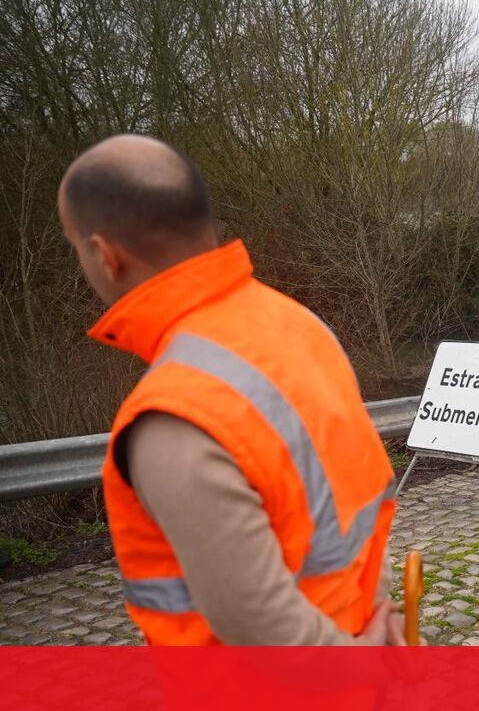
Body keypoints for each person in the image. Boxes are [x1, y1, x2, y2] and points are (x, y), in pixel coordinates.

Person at [58, 134, 404, 646]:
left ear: (104, 255)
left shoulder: (174, 414)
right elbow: (356, 501)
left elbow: (258, 623)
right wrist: (380, 613)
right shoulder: (299, 324)